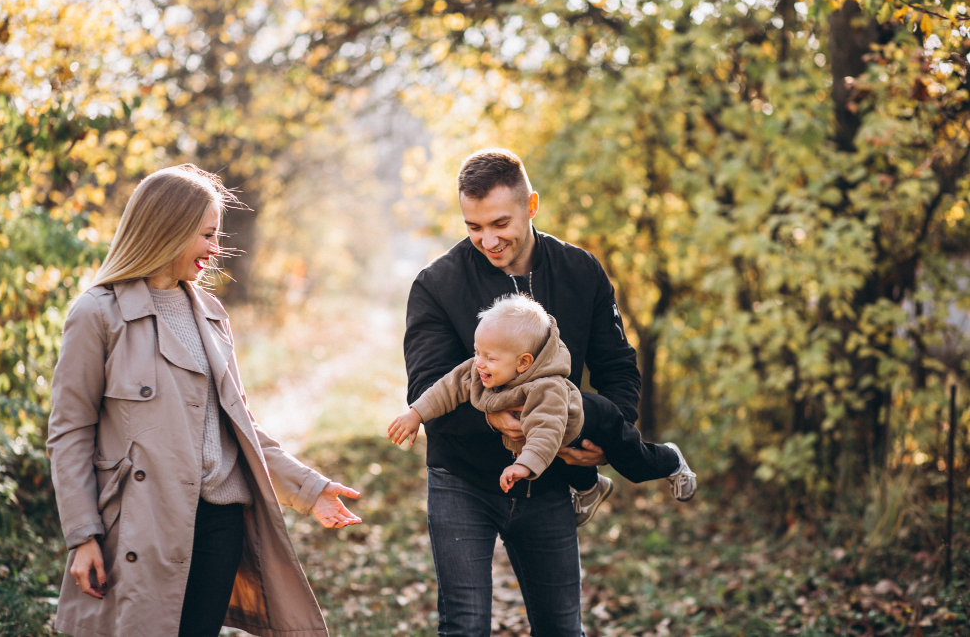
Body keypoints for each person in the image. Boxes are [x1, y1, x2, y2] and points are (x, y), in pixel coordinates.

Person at [47, 164, 361, 637]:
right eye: (207, 235)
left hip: (220, 524)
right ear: (167, 229)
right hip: (140, 528)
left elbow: (240, 425)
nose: (216, 249)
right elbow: (70, 431)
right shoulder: (97, 313)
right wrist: (82, 536)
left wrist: (309, 487)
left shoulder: (211, 314)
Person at [403, 148, 693, 636]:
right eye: (473, 226)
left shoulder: (581, 272)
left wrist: (602, 436)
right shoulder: (437, 284)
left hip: (551, 481)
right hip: (462, 479)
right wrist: (491, 417)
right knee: (464, 627)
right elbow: (427, 385)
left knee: (561, 628)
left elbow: (617, 366)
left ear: (531, 205)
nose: (487, 240)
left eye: (499, 223)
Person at [389, 294, 695, 497]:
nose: (479, 362)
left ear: (523, 363)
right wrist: (415, 414)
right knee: (565, 462)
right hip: (559, 434)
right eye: (476, 352)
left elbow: (546, 430)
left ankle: (671, 460)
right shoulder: (480, 368)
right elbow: (447, 388)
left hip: (596, 418)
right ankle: (591, 492)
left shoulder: (545, 388)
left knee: (633, 464)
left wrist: (523, 465)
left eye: (490, 357)